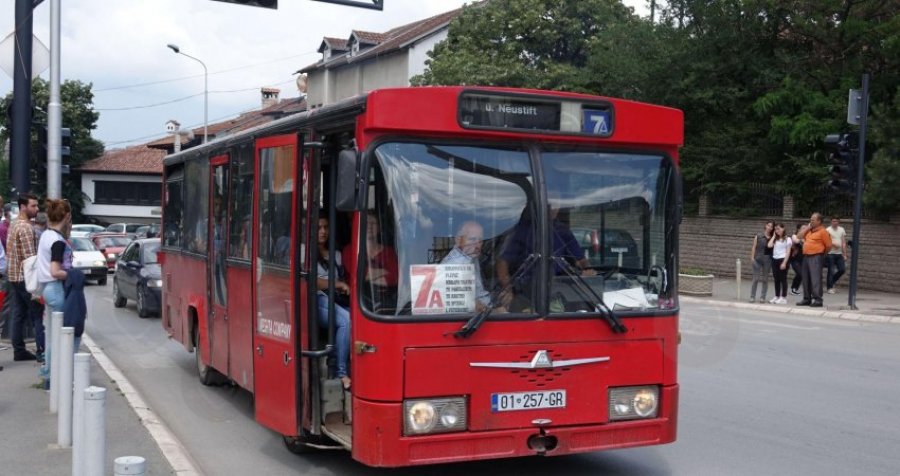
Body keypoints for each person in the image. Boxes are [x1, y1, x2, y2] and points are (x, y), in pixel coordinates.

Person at [497, 195, 596, 310]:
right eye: (550, 205)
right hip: (528, 287)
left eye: (557, 205)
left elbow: (580, 260)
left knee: (585, 309)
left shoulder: (562, 231)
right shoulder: (522, 230)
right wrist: (508, 290)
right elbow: (502, 262)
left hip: (560, 283)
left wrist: (587, 269)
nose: (553, 208)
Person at [314, 214, 351, 391]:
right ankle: (340, 372)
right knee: (345, 321)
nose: (323, 231)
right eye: (319, 227)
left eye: (326, 227)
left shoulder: (336, 254)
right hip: (317, 298)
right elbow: (310, 281)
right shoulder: (304, 251)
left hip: (335, 298)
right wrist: (337, 284)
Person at [6, 194, 44, 362]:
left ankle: (19, 350)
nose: (37, 209)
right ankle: (41, 351)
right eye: (33, 206)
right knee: (36, 311)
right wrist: (36, 286)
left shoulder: (14, 224)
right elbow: (31, 259)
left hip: (14, 275)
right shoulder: (26, 228)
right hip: (25, 277)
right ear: (23, 207)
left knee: (18, 313)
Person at [441, 221, 505, 313]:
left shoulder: (470, 256)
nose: (477, 245)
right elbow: (467, 305)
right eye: (472, 239)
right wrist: (496, 311)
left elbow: (479, 293)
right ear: (458, 240)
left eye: (480, 241)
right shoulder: (455, 267)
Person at [344, 212, 398, 313]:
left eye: (373, 223)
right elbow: (358, 276)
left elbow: (394, 278)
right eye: (366, 222)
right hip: (359, 305)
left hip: (388, 305)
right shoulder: (350, 250)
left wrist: (368, 277)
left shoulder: (389, 252)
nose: (369, 226)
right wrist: (384, 271)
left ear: (378, 228)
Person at [796, 213, 832, 307]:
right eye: (810, 219)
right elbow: (799, 236)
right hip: (806, 256)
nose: (810, 221)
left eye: (813, 220)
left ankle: (818, 299)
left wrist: (823, 254)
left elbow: (828, 246)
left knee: (815, 279)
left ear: (819, 221)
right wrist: (807, 228)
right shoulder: (809, 230)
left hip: (816, 256)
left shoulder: (823, 231)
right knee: (805, 278)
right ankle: (806, 298)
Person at [748, 221, 774, 303]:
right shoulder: (758, 236)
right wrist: (752, 258)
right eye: (768, 225)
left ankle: (762, 297)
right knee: (756, 279)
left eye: (771, 226)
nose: (770, 227)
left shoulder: (772, 238)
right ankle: (752, 297)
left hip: (767, 260)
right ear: (765, 226)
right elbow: (754, 246)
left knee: (765, 279)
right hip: (758, 259)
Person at [767, 223, 793, 304]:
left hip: (783, 260)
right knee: (776, 279)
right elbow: (769, 245)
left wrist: (784, 263)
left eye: (778, 229)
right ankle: (777, 296)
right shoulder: (775, 238)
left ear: (783, 229)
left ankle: (783, 298)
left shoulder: (788, 239)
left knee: (783, 279)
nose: (777, 230)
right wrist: (774, 236)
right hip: (775, 259)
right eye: (776, 229)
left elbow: (788, 252)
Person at [825, 216, 848, 294]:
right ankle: (829, 287)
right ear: (831, 222)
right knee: (831, 270)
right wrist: (834, 244)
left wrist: (845, 254)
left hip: (839, 254)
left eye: (836, 221)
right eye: (833, 221)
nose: (835, 222)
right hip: (830, 253)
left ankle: (831, 282)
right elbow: (826, 241)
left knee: (842, 269)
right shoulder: (827, 230)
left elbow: (843, 242)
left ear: (839, 222)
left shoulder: (841, 229)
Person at [789, 223, 807, 295]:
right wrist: (802, 240)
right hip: (795, 259)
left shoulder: (807, 236)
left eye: (806, 228)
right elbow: (796, 241)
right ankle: (793, 288)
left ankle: (795, 289)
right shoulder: (794, 236)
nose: (805, 229)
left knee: (801, 274)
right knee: (800, 273)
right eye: (803, 228)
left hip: (803, 259)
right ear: (798, 229)